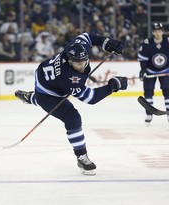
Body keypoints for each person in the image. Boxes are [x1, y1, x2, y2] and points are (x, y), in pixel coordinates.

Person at [15, 33, 127, 175]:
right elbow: (90, 98)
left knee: (52, 100)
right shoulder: (69, 78)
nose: (81, 66)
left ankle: (31, 97)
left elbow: (86, 37)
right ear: (70, 61)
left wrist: (106, 42)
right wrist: (112, 87)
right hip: (47, 92)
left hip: (45, 75)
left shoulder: (77, 48)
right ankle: (81, 157)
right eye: (77, 64)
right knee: (72, 118)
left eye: (83, 62)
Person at [138, 23, 169, 124]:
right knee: (148, 92)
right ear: (152, 32)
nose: (158, 33)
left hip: (165, 71)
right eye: (155, 31)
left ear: (162, 31)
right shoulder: (147, 43)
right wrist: (142, 70)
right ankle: (149, 113)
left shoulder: (167, 41)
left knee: (167, 91)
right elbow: (143, 59)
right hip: (150, 71)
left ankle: (168, 113)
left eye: (159, 31)